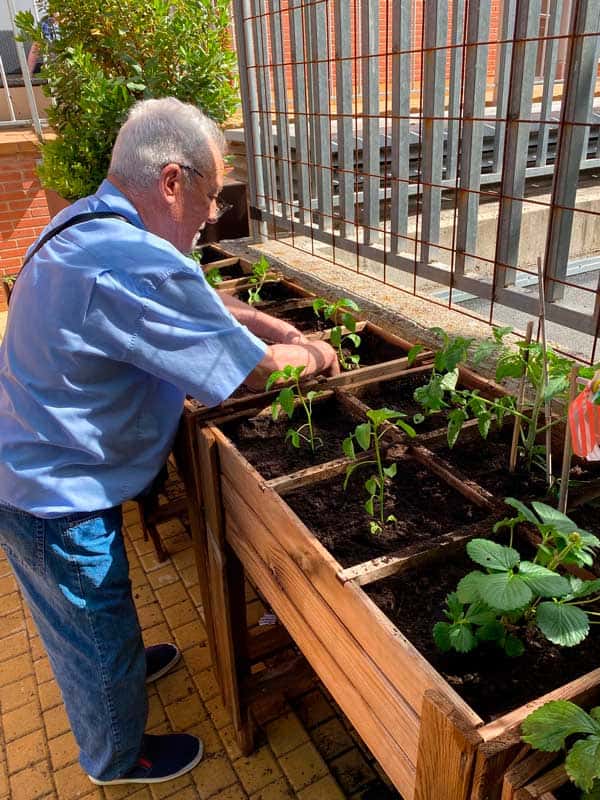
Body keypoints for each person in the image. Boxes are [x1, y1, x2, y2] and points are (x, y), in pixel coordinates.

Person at [0, 97, 339, 787]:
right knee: (90, 622)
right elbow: (254, 376)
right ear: (174, 181)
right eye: (211, 197)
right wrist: (315, 353)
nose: (213, 216)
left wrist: (264, 320)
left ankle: (114, 660)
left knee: (94, 614)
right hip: (51, 492)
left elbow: (200, 300)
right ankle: (116, 757)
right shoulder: (129, 259)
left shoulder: (88, 222)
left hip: (36, 459)